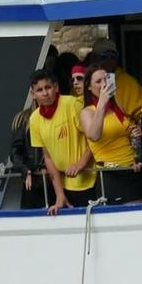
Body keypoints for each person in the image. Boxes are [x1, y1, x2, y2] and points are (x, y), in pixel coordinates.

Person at [27, 67, 94, 213]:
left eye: (48, 87)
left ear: (56, 87)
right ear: (33, 94)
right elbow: (48, 157)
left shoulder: (72, 104)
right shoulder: (34, 119)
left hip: (88, 182)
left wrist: (80, 164)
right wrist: (59, 195)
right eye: (39, 90)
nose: (45, 93)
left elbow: (94, 138)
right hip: (63, 186)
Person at [80, 62, 142, 202]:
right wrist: (102, 103)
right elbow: (93, 135)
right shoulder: (87, 112)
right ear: (89, 87)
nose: (103, 84)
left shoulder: (118, 108)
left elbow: (128, 138)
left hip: (132, 169)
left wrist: (136, 135)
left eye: (106, 79)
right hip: (111, 173)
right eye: (98, 81)